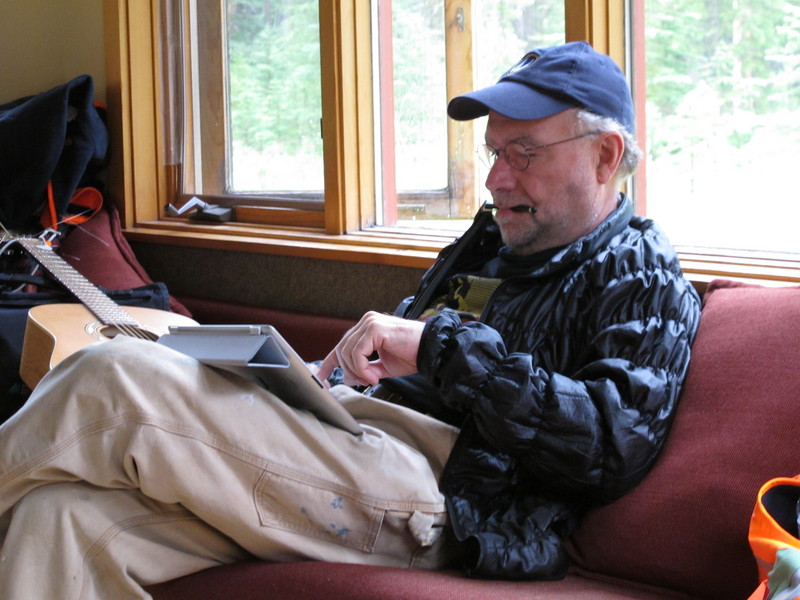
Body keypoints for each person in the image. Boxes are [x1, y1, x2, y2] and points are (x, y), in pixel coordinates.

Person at [0, 41, 701, 598]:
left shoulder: (640, 273)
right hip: (354, 441)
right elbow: (407, 365)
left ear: (605, 156)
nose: (496, 178)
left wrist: (438, 346)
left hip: (451, 496)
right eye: (495, 153)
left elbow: (612, 444)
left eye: (524, 153)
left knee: (113, 377)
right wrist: (315, 379)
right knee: (57, 519)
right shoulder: (488, 246)